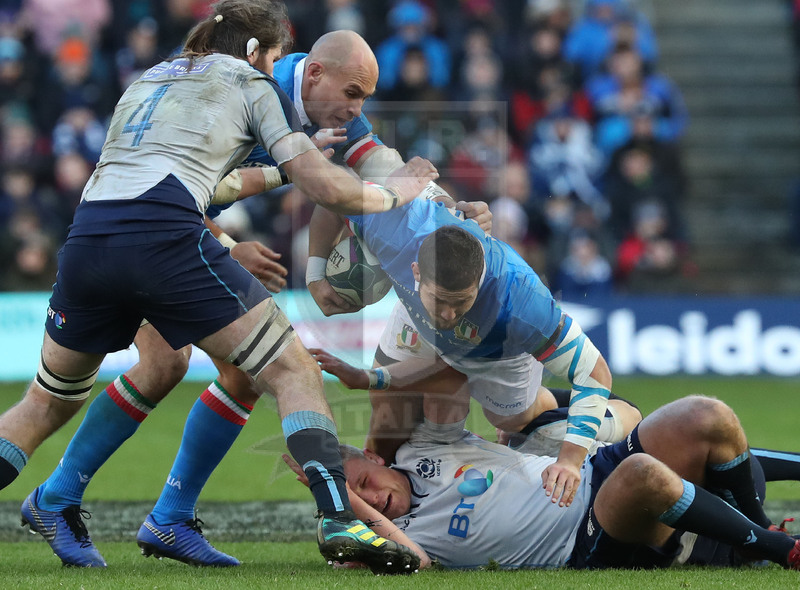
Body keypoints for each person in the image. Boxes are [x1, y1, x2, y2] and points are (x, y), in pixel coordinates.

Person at [12, 28, 487, 569]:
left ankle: (147, 514)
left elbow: (380, 163)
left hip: (130, 231)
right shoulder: (241, 88)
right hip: (156, 233)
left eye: (364, 98)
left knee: (206, 369)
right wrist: (226, 244)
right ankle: (81, 502)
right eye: (353, 94)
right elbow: (174, 179)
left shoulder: (326, 107)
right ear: (313, 74)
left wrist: (450, 209)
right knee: (242, 367)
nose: (356, 109)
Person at [306, 195, 619, 511]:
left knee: (511, 420)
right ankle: (375, 499)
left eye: (461, 302)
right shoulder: (398, 230)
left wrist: (569, 459)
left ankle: (607, 414)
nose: (449, 316)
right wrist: (315, 274)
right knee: (390, 410)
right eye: (441, 299)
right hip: (417, 319)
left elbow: (594, 372)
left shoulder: (523, 303)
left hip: (498, 351)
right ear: (415, 271)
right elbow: (331, 194)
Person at [285, 388, 800, 571]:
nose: (373, 497)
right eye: (361, 501)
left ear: (375, 457)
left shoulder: (424, 446)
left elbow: (423, 383)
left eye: (364, 481)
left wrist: (365, 381)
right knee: (642, 474)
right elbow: (415, 565)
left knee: (705, 414)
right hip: (590, 533)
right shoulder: (396, 539)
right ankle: (780, 549)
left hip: (595, 464)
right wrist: (344, 502)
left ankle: (754, 534)